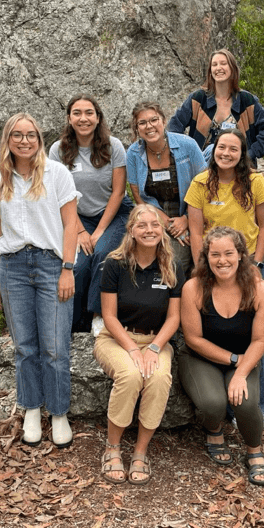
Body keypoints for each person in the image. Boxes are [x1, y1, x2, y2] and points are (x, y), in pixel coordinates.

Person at [0, 113, 80, 448]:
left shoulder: (57, 174)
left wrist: (68, 267)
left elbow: (71, 225)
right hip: (12, 266)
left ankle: (58, 412)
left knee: (54, 346)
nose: (24, 141)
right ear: (7, 140)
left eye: (30, 135)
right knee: (25, 346)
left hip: (51, 264)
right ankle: (30, 408)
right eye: (17, 135)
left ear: (39, 139)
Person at [184, 129, 264, 418]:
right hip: (212, 263)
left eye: (233, 149)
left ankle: (259, 405)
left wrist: (256, 263)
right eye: (221, 147)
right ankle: (217, 395)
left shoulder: (255, 182)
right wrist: (201, 267)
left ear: (242, 154)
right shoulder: (200, 183)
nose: (226, 153)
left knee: (257, 333)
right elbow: (195, 229)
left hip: (246, 263)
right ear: (213, 150)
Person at [95, 205, 183, 485]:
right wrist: (132, 349)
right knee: (131, 375)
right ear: (131, 230)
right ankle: (112, 448)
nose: (149, 230)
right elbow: (108, 316)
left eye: (155, 225)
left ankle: (140, 452)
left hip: (156, 340)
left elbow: (174, 318)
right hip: (117, 338)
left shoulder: (171, 264)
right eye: (142, 225)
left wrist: (155, 348)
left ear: (162, 230)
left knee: (157, 378)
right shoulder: (115, 263)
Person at [180, 227, 264, 486]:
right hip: (201, 357)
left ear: (242, 255)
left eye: (229, 253)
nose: (222, 260)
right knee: (214, 403)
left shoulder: (259, 289)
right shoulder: (194, 288)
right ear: (206, 258)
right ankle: (213, 429)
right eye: (215, 254)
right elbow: (193, 339)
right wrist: (234, 360)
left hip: (245, 358)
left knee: (244, 402)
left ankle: (254, 450)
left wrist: (241, 372)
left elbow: (259, 341)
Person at [49, 94, 132, 332]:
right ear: (69, 118)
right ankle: (75, 322)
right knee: (78, 265)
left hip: (113, 213)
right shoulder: (58, 150)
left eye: (89, 113)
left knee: (103, 254)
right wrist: (81, 231)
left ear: (97, 118)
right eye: (77, 113)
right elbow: (58, 196)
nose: (83, 118)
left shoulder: (113, 145)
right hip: (77, 216)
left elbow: (118, 192)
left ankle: (100, 315)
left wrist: (99, 231)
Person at [126, 101, 206, 278]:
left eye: (154, 120)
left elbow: (206, 185)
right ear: (136, 128)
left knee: (178, 260)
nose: (149, 126)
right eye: (142, 123)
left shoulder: (188, 145)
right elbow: (138, 194)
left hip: (190, 210)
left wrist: (186, 219)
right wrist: (166, 223)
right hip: (153, 213)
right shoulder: (133, 153)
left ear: (163, 121)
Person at [167, 48, 264, 167]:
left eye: (223, 63)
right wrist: (185, 154)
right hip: (203, 166)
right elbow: (174, 126)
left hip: (239, 166)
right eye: (214, 65)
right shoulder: (198, 98)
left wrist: (250, 153)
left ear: (232, 69)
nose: (218, 68)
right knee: (211, 149)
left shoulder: (247, 101)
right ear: (210, 71)